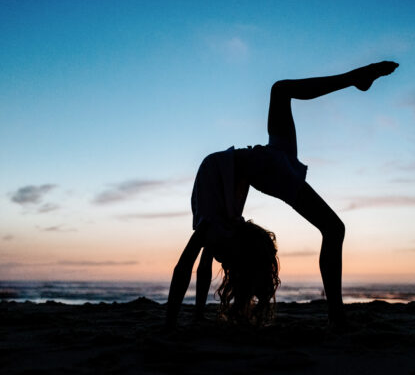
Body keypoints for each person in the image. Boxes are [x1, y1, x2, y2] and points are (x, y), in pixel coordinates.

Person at [166, 61, 399, 328]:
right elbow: (195, 268)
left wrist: (178, 321)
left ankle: (355, 79)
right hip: (264, 163)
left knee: (280, 90)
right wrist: (187, 318)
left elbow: (190, 268)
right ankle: (336, 316)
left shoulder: (213, 229)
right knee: (334, 229)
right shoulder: (216, 229)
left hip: (265, 161)